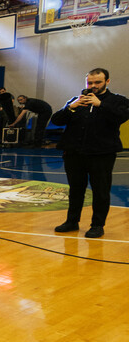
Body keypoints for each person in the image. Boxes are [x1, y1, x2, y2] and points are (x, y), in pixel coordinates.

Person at [52, 67, 129, 238]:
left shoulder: (118, 100)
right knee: (75, 190)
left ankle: (97, 225)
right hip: (74, 153)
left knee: (101, 190)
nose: (93, 86)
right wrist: (70, 108)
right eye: (90, 82)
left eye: (97, 82)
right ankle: (72, 221)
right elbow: (56, 120)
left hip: (102, 154)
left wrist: (101, 104)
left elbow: (122, 116)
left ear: (107, 81)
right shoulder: (76, 100)